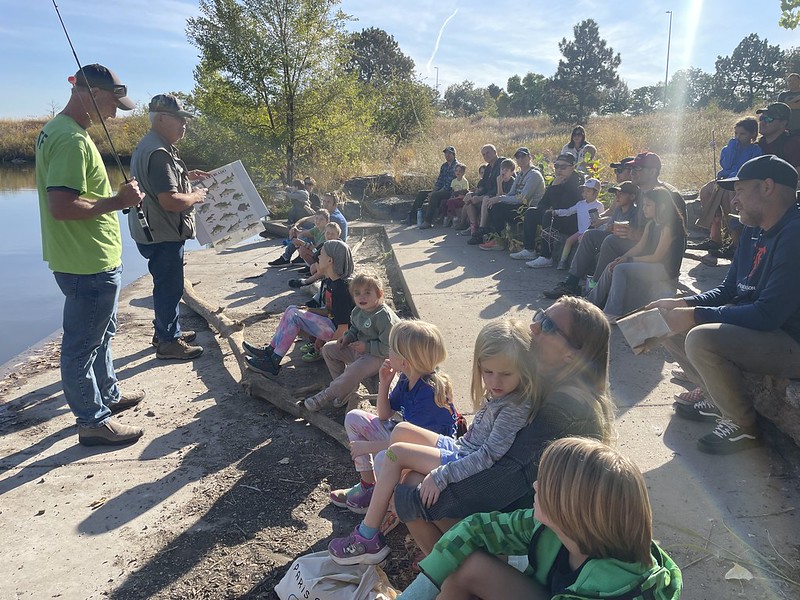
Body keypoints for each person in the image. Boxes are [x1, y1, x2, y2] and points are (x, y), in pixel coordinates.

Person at [393, 297, 615, 556]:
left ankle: (451, 576)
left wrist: (432, 489)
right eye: (540, 316)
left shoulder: (564, 409)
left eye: (549, 326)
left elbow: (505, 477)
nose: (534, 327)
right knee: (415, 477)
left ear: (572, 353)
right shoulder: (549, 381)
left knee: (412, 491)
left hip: (540, 528)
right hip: (526, 501)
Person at [328, 319, 537, 565]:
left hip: (466, 460)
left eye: (504, 374)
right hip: (461, 448)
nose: (494, 382)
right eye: (487, 372)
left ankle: (367, 536)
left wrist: (441, 476)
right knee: (402, 430)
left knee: (396, 453)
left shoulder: (515, 406)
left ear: (523, 369)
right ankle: (381, 497)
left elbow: (488, 456)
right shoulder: (503, 393)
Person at [398, 437, 682, 600]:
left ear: (570, 510)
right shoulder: (552, 528)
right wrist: (417, 593)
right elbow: (475, 528)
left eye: (543, 483)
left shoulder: (613, 588)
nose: (534, 486)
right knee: (467, 564)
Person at [650, 155, 800, 454]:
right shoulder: (752, 230)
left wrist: (694, 315)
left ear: (767, 187)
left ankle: (743, 425)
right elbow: (730, 288)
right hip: (761, 329)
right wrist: (682, 302)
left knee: (700, 336)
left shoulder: (794, 234)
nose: (733, 202)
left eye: (740, 191)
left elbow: (768, 314)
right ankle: (716, 398)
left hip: (790, 340)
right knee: (666, 321)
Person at [35, 64, 146, 446]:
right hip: (88, 264)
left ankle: (108, 397)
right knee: (82, 345)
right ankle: (92, 421)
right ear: (93, 95)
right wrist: (118, 201)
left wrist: (114, 199)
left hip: (82, 259)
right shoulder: (72, 140)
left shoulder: (58, 130)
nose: (115, 114)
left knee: (102, 334)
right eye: (113, 105)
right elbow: (62, 206)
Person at [329, 320, 459, 516]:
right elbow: (384, 414)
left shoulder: (428, 395)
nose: (387, 351)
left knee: (383, 457)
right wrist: (384, 383)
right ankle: (369, 486)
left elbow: (411, 447)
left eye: (391, 348)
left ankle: (389, 506)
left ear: (405, 362)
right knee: (354, 418)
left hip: (428, 462)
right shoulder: (408, 378)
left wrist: (368, 447)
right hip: (405, 443)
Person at [128, 94, 209, 360]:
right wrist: (196, 196)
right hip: (162, 233)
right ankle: (168, 342)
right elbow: (169, 201)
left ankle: (165, 330)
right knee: (169, 286)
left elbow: (158, 183)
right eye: (180, 119)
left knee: (167, 283)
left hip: (153, 230)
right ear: (161, 118)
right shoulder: (159, 152)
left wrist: (186, 176)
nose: (184, 125)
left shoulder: (151, 145)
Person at [242, 240, 355, 377]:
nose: (318, 256)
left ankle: (274, 361)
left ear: (330, 260)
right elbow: (330, 312)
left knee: (295, 316)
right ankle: (270, 350)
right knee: (291, 309)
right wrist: (309, 311)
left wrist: (328, 348)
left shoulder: (342, 289)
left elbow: (343, 328)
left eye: (322, 254)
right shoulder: (331, 282)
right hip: (331, 327)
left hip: (342, 337)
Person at [304, 272, 401, 410]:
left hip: (379, 357)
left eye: (367, 293)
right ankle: (345, 391)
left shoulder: (383, 316)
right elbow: (355, 328)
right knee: (328, 349)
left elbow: (388, 348)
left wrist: (366, 347)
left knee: (354, 369)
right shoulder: (357, 311)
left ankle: (327, 395)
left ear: (379, 294)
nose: (362, 297)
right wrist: (347, 337)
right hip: (360, 350)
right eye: (357, 293)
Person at [589, 188, 686, 322]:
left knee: (620, 269)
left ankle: (612, 313)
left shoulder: (670, 227)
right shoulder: (652, 224)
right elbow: (639, 246)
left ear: (662, 206)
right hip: (652, 265)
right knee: (612, 266)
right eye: (644, 205)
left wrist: (628, 260)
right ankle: (590, 302)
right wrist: (622, 258)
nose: (644, 208)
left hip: (664, 270)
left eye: (648, 205)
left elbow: (657, 257)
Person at [691, 118, 761, 262]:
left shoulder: (755, 150)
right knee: (706, 191)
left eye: (742, 134)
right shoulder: (730, 148)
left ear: (752, 135)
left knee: (729, 197)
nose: (738, 137)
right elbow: (726, 164)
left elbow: (750, 169)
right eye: (736, 133)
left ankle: (735, 243)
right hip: (725, 179)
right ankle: (715, 234)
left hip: (740, 181)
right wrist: (731, 147)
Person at [513, 154, 583, 269]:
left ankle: (546, 257)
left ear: (572, 167)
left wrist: (555, 188)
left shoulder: (576, 184)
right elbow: (543, 202)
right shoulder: (557, 180)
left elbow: (561, 206)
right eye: (557, 166)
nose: (559, 170)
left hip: (571, 220)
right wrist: (545, 209)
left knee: (548, 216)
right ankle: (529, 249)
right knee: (531, 213)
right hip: (557, 216)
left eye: (563, 167)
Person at [477, 147, 546, 251]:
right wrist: (496, 198)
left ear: (529, 157)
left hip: (529, 209)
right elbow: (511, 194)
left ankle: (501, 241)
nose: (521, 159)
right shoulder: (520, 174)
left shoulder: (534, 175)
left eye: (523, 156)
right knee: (492, 204)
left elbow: (522, 199)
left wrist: (500, 198)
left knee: (496, 206)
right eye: (518, 157)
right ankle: (500, 238)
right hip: (519, 207)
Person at [551, 178, 604, 269]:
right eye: (584, 191)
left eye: (588, 191)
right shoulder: (580, 204)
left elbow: (598, 222)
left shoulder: (599, 206)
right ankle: (562, 261)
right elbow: (569, 211)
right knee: (569, 241)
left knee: (581, 241)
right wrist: (556, 212)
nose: (585, 194)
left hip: (591, 232)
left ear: (596, 193)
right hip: (580, 231)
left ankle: (578, 265)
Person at [467, 158, 516, 245]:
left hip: (508, 204)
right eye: (502, 169)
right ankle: (481, 228)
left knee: (490, 203)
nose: (503, 172)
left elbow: (503, 197)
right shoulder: (501, 179)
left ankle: (485, 230)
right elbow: (497, 195)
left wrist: (499, 183)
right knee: (485, 199)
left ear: (511, 172)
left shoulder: (511, 181)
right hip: (500, 202)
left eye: (507, 170)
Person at [460, 145, 506, 236]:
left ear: (495, 151)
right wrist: (473, 195)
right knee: (469, 199)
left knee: (484, 199)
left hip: (500, 194)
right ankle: (473, 227)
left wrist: (480, 197)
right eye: (483, 154)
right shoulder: (488, 168)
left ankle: (482, 230)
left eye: (488, 152)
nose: (486, 156)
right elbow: (484, 186)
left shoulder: (502, 164)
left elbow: (501, 186)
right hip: (488, 194)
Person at [410, 146, 458, 228]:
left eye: (449, 153)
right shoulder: (444, 166)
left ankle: (428, 222)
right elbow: (439, 181)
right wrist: (433, 191)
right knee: (422, 193)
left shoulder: (456, 166)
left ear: (454, 154)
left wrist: (434, 193)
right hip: (441, 190)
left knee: (435, 196)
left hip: (450, 191)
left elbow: (448, 185)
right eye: (446, 153)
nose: (447, 155)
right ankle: (412, 218)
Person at [756, 102, 800, 172]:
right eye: (761, 118)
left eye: (769, 119)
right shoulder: (758, 145)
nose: (762, 122)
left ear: (783, 123)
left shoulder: (793, 145)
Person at [442, 163, 470, 228]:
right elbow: (453, 192)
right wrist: (452, 197)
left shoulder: (464, 181)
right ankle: (446, 217)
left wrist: (454, 198)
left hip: (461, 199)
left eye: (460, 171)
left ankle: (455, 218)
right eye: (456, 170)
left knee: (451, 202)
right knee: (443, 202)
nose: (458, 172)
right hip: (455, 198)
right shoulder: (454, 181)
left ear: (463, 172)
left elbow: (464, 195)